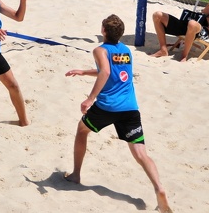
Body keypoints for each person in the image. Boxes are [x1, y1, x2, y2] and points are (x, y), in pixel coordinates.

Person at [65, 14, 172, 213]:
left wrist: (90, 99)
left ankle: (76, 175)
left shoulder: (99, 49)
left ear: (103, 31)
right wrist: (84, 71)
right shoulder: (126, 51)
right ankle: (159, 188)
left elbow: (105, 72)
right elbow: (111, 71)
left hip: (107, 107)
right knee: (141, 154)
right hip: (130, 108)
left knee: (82, 130)